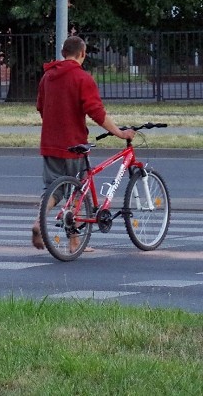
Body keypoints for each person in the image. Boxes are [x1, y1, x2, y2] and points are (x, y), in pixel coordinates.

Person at [31, 35, 135, 249]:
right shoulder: (82, 78)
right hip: (74, 143)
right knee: (81, 188)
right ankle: (74, 242)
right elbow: (96, 112)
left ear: (63, 53)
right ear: (83, 53)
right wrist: (119, 133)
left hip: (50, 142)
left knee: (53, 189)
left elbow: (41, 107)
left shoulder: (47, 77)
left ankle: (38, 223)